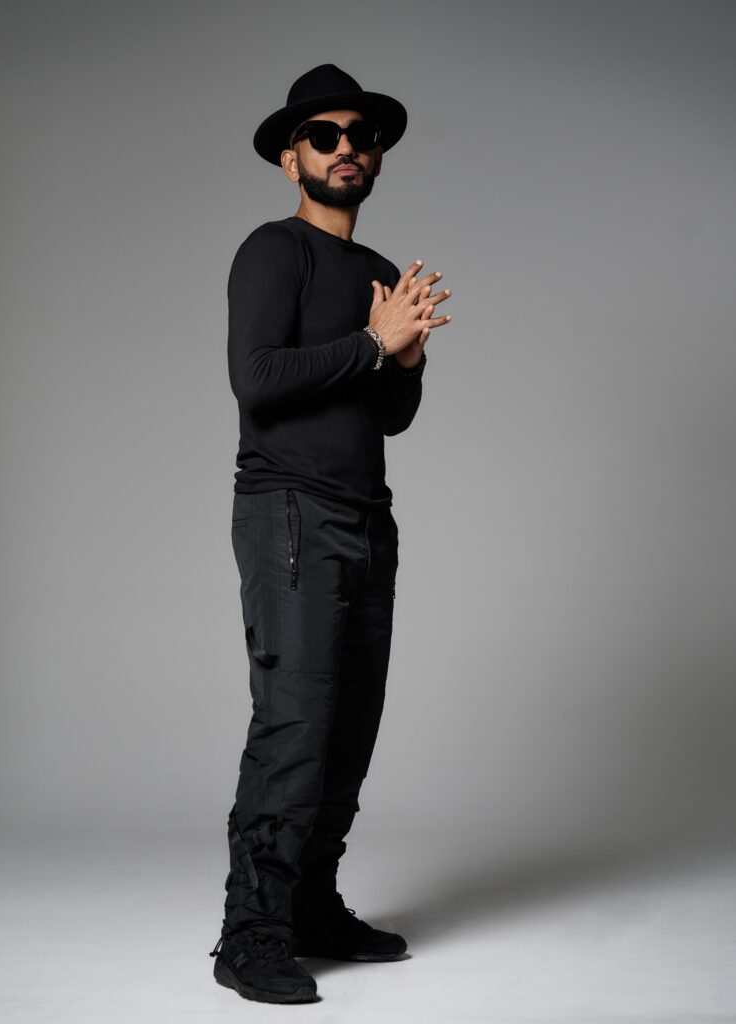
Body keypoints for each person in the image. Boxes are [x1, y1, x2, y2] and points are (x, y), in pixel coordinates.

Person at [209, 63, 452, 1004]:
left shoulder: (376, 272)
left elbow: (386, 417)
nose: (345, 146)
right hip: (289, 514)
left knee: (350, 723)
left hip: (365, 517)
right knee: (297, 721)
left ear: (376, 156)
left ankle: (311, 907)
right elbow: (258, 379)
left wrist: (407, 361)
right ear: (290, 159)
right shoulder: (274, 251)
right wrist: (372, 344)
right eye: (323, 135)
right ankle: (249, 934)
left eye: (359, 135)